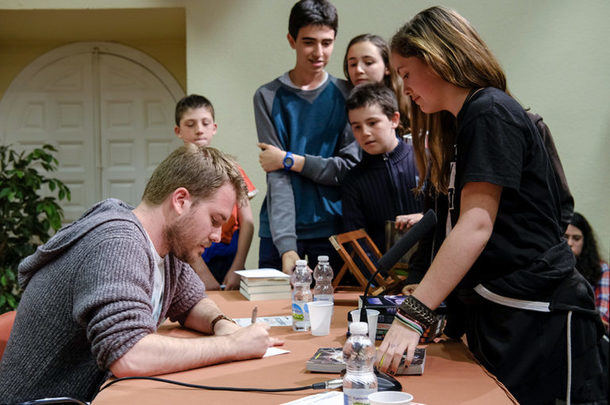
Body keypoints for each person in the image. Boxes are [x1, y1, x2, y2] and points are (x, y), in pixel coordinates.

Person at [375, 6, 607, 404]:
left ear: (435, 58)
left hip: (539, 318)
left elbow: (476, 225)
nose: (403, 86)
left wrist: (415, 314)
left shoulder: (489, 111)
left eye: (405, 73)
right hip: (507, 314)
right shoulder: (464, 123)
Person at [0, 146, 282, 403]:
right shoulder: (117, 243)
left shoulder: (165, 247)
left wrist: (222, 323)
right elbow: (128, 355)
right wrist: (232, 345)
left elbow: (192, 301)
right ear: (181, 200)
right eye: (214, 220)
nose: (218, 236)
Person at [254, 0, 360, 275]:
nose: (319, 52)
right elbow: (276, 176)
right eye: (309, 42)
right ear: (292, 40)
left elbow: (344, 170)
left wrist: (288, 159)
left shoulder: (348, 95)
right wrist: (287, 247)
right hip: (279, 232)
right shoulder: (267, 97)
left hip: (332, 231)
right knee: (272, 315)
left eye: (327, 43)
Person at [174, 94, 257, 290]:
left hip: (229, 257)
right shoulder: (176, 175)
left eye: (205, 123)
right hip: (193, 261)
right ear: (178, 131)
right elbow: (179, 230)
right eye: (190, 124)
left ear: (214, 128)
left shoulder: (232, 170)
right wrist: (202, 274)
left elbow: (248, 222)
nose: (199, 130)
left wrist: (238, 268)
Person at [342, 82, 422, 251]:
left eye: (372, 123)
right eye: (357, 127)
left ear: (394, 119)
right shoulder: (353, 181)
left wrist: (423, 217)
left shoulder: (424, 161)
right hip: (381, 272)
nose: (365, 133)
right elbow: (357, 244)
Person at [343, 33, 411, 138]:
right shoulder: (344, 102)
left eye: (368, 63)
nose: (358, 70)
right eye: (353, 64)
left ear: (387, 67)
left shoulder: (410, 100)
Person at [565, 212, 609, 331]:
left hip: (591, 330)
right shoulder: (552, 267)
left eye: (576, 238)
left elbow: (602, 314)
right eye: (565, 237)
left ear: (585, 241)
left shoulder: (601, 268)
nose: (569, 243)